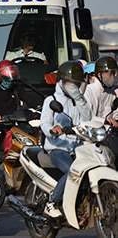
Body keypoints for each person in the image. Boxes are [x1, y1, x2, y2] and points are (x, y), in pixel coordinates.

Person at [40, 61, 92, 218]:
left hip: (76, 146)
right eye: (71, 83)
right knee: (73, 171)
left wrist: (80, 99)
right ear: (62, 82)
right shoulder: (51, 100)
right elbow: (45, 123)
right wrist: (52, 130)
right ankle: (52, 203)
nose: (74, 86)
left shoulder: (78, 100)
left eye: (76, 83)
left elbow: (88, 118)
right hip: (57, 148)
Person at [0, 60, 43, 154]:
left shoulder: (17, 88)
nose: (10, 82)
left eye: (12, 79)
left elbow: (29, 100)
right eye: (7, 79)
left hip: (14, 126)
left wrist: (42, 108)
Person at [85, 57, 118, 126]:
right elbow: (87, 116)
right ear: (99, 75)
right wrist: (104, 121)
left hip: (107, 134)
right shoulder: (88, 91)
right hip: (89, 133)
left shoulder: (112, 94)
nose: (112, 77)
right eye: (109, 74)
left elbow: (115, 116)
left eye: (113, 73)